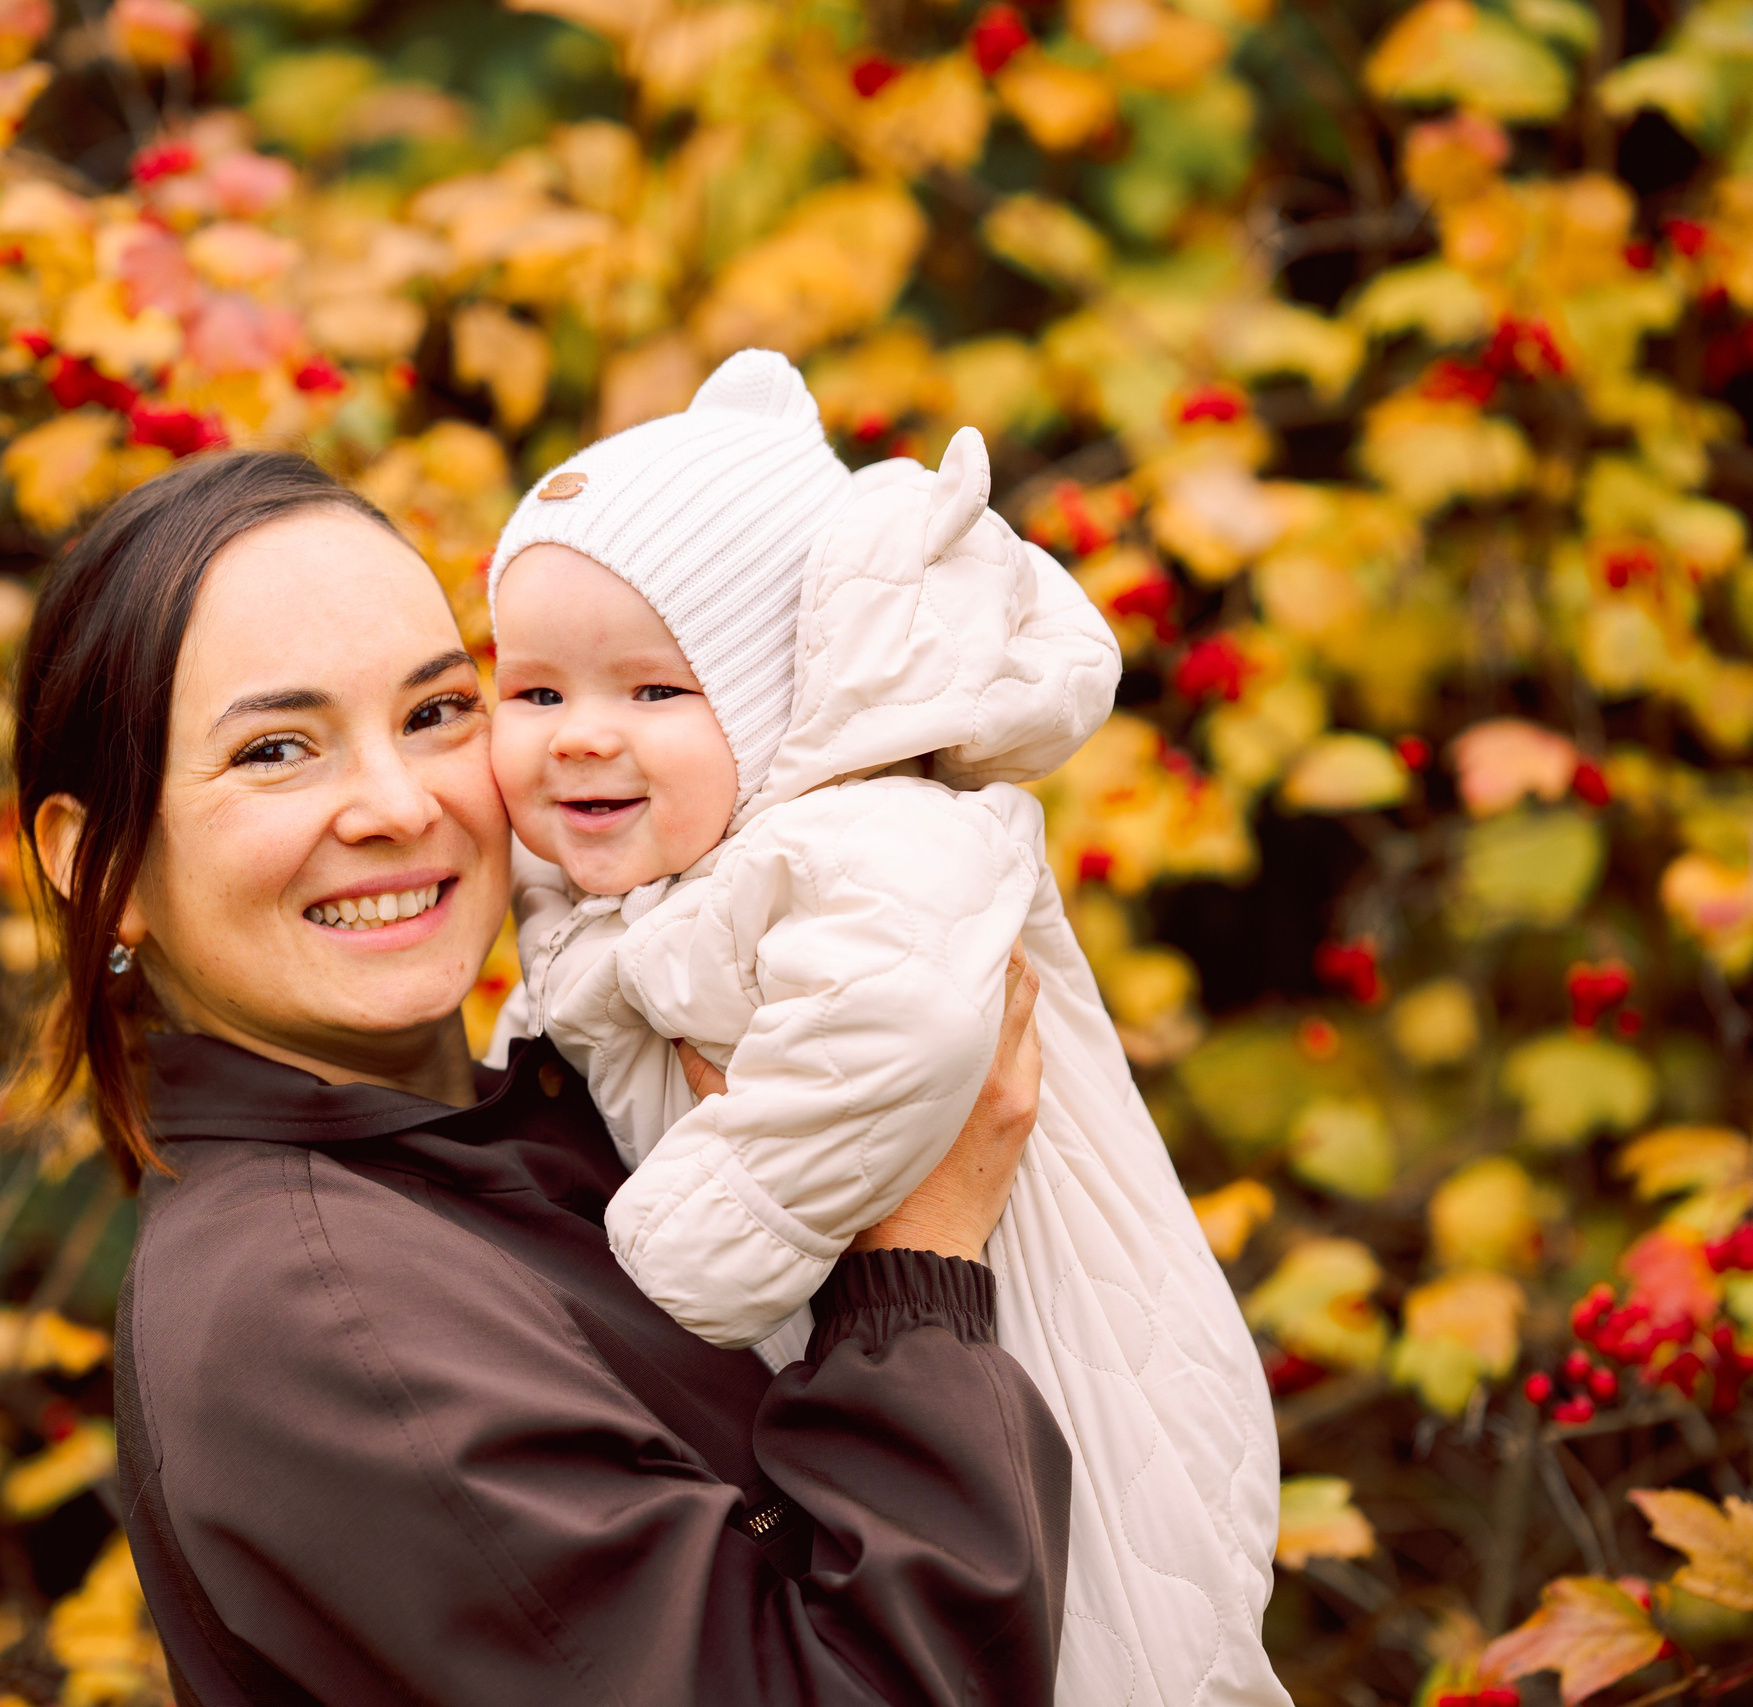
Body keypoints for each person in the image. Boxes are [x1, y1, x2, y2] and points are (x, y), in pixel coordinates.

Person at [16, 449, 1073, 1705]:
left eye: (435, 712)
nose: (399, 806)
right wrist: (914, 1262)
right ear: (98, 864)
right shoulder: (310, 1307)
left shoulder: (553, 1120)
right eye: (275, 751)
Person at [482, 350, 1286, 1707]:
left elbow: (901, 1018)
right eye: (536, 691)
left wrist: (687, 1245)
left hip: (1037, 1337)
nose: (578, 736)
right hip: (898, 1376)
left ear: (781, 701)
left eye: (654, 692)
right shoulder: (651, 878)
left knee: (1113, 1632)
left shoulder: (871, 831)